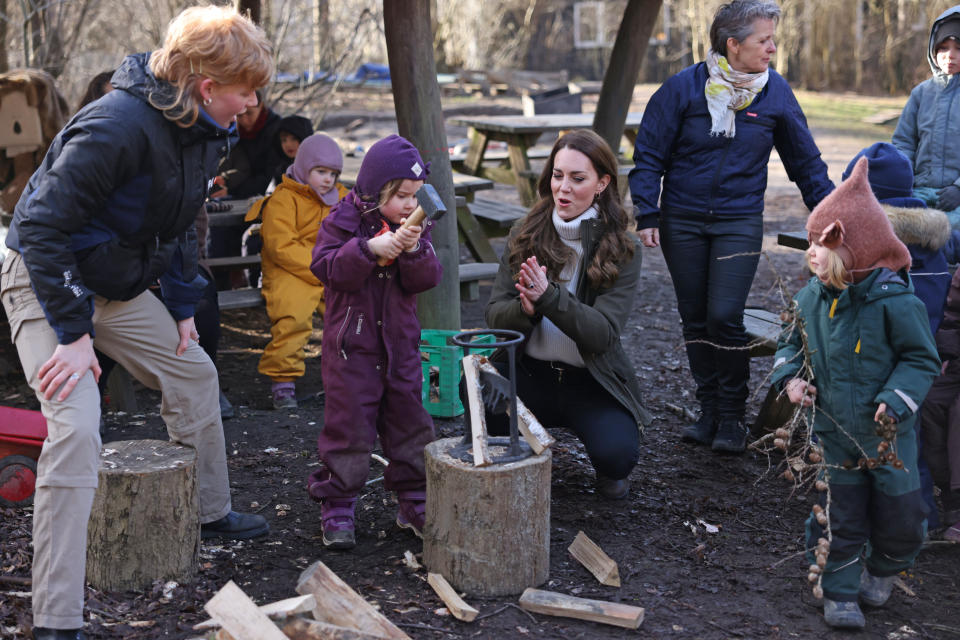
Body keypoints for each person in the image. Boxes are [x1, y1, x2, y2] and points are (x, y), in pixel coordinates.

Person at [0, 7, 273, 638]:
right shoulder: (114, 126)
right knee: (75, 427)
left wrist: (180, 306)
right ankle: (57, 618)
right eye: (245, 90)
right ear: (207, 86)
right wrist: (71, 337)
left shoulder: (205, 127)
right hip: (44, 280)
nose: (253, 101)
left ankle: (210, 512)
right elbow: (39, 229)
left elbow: (178, 219)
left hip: (112, 280)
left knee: (195, 372)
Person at [629, 0, 834, 454]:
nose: (773, 48)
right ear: (733, 44)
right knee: (696, 318)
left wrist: (835, 215)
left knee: (724, 315)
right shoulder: (682, 89)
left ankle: (732, 416)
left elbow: (806, 163)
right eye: (765, 40)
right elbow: (649, 154)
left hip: (739, 220)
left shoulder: (774, 92)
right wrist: (647, 211)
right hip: (682, 219)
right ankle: (708, 413)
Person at [771, 157, 940, 630]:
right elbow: (790, 345)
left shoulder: (896, 303)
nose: (811, 254)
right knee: (840, 517)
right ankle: (839, 591)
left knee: (902, 519)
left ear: (856, 251)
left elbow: (921, 359)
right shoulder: (810, 299)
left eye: (821, 244)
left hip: (888, 438)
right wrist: (792, 379)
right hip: (837, 433)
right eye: (808, 242)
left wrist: (898, 396)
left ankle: (884, 567)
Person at [481, 129, 652, 500]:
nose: (564, 188)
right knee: (478, 395)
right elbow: (495, 315)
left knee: (617, 456)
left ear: (602, 183)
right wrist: (524, 311)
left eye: (578, 178)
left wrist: (548, 298)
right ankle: (520, 447)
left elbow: (603, 334)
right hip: (530, 374)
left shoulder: (624, 247)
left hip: (589, 381)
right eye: (558, 175)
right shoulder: (524, 233)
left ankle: (604, 457)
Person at [307, 134, 441, 550]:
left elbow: (427, 280)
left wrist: (415, 250)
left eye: (415, 195)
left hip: (400, 349)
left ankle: (414, 499)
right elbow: (325, 267)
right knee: (348, 428)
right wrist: (367, 250)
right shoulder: (342, 221)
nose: (408, 204)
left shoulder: (415, 226)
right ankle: (338, 502)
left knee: (410, 424)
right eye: (400, 195)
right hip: (352, 351)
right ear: (373, 190)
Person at [844, 141, 960, 532]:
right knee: (915, 444)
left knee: (899, 442)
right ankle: (918, 517)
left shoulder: (866, 244)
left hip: (888, 364)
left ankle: (910, 520)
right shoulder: (937, 238)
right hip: (929, 359)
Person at [248, 133, 348, 409]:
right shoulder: (283, 198)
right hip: (289, 270)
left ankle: (347, 376)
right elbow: (280, 245)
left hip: (330, 269)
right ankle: (283, 382)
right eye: (320, 171)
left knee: (350, 317)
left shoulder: (342, 198)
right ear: (304, 168)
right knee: (292, 318)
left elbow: (354, 230)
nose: (328, 179)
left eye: (333, 173)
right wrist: (321, 266)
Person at [892, 5, 960, 230]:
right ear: (933, 49)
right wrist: (904, 182)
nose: (950, 55)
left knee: (944, 235)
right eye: (943, 48)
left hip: (956, 197)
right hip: (919, 192)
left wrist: (958, 189)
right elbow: (904, 142)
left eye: (958, 48)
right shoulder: (921, 93)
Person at [212, 89, 282, 199]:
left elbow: (269, 175)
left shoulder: (277, 132)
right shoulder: (234, 130)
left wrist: (232, 191)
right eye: (239, 115)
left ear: (261, 106)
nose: (244, 120)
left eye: (249, 113)